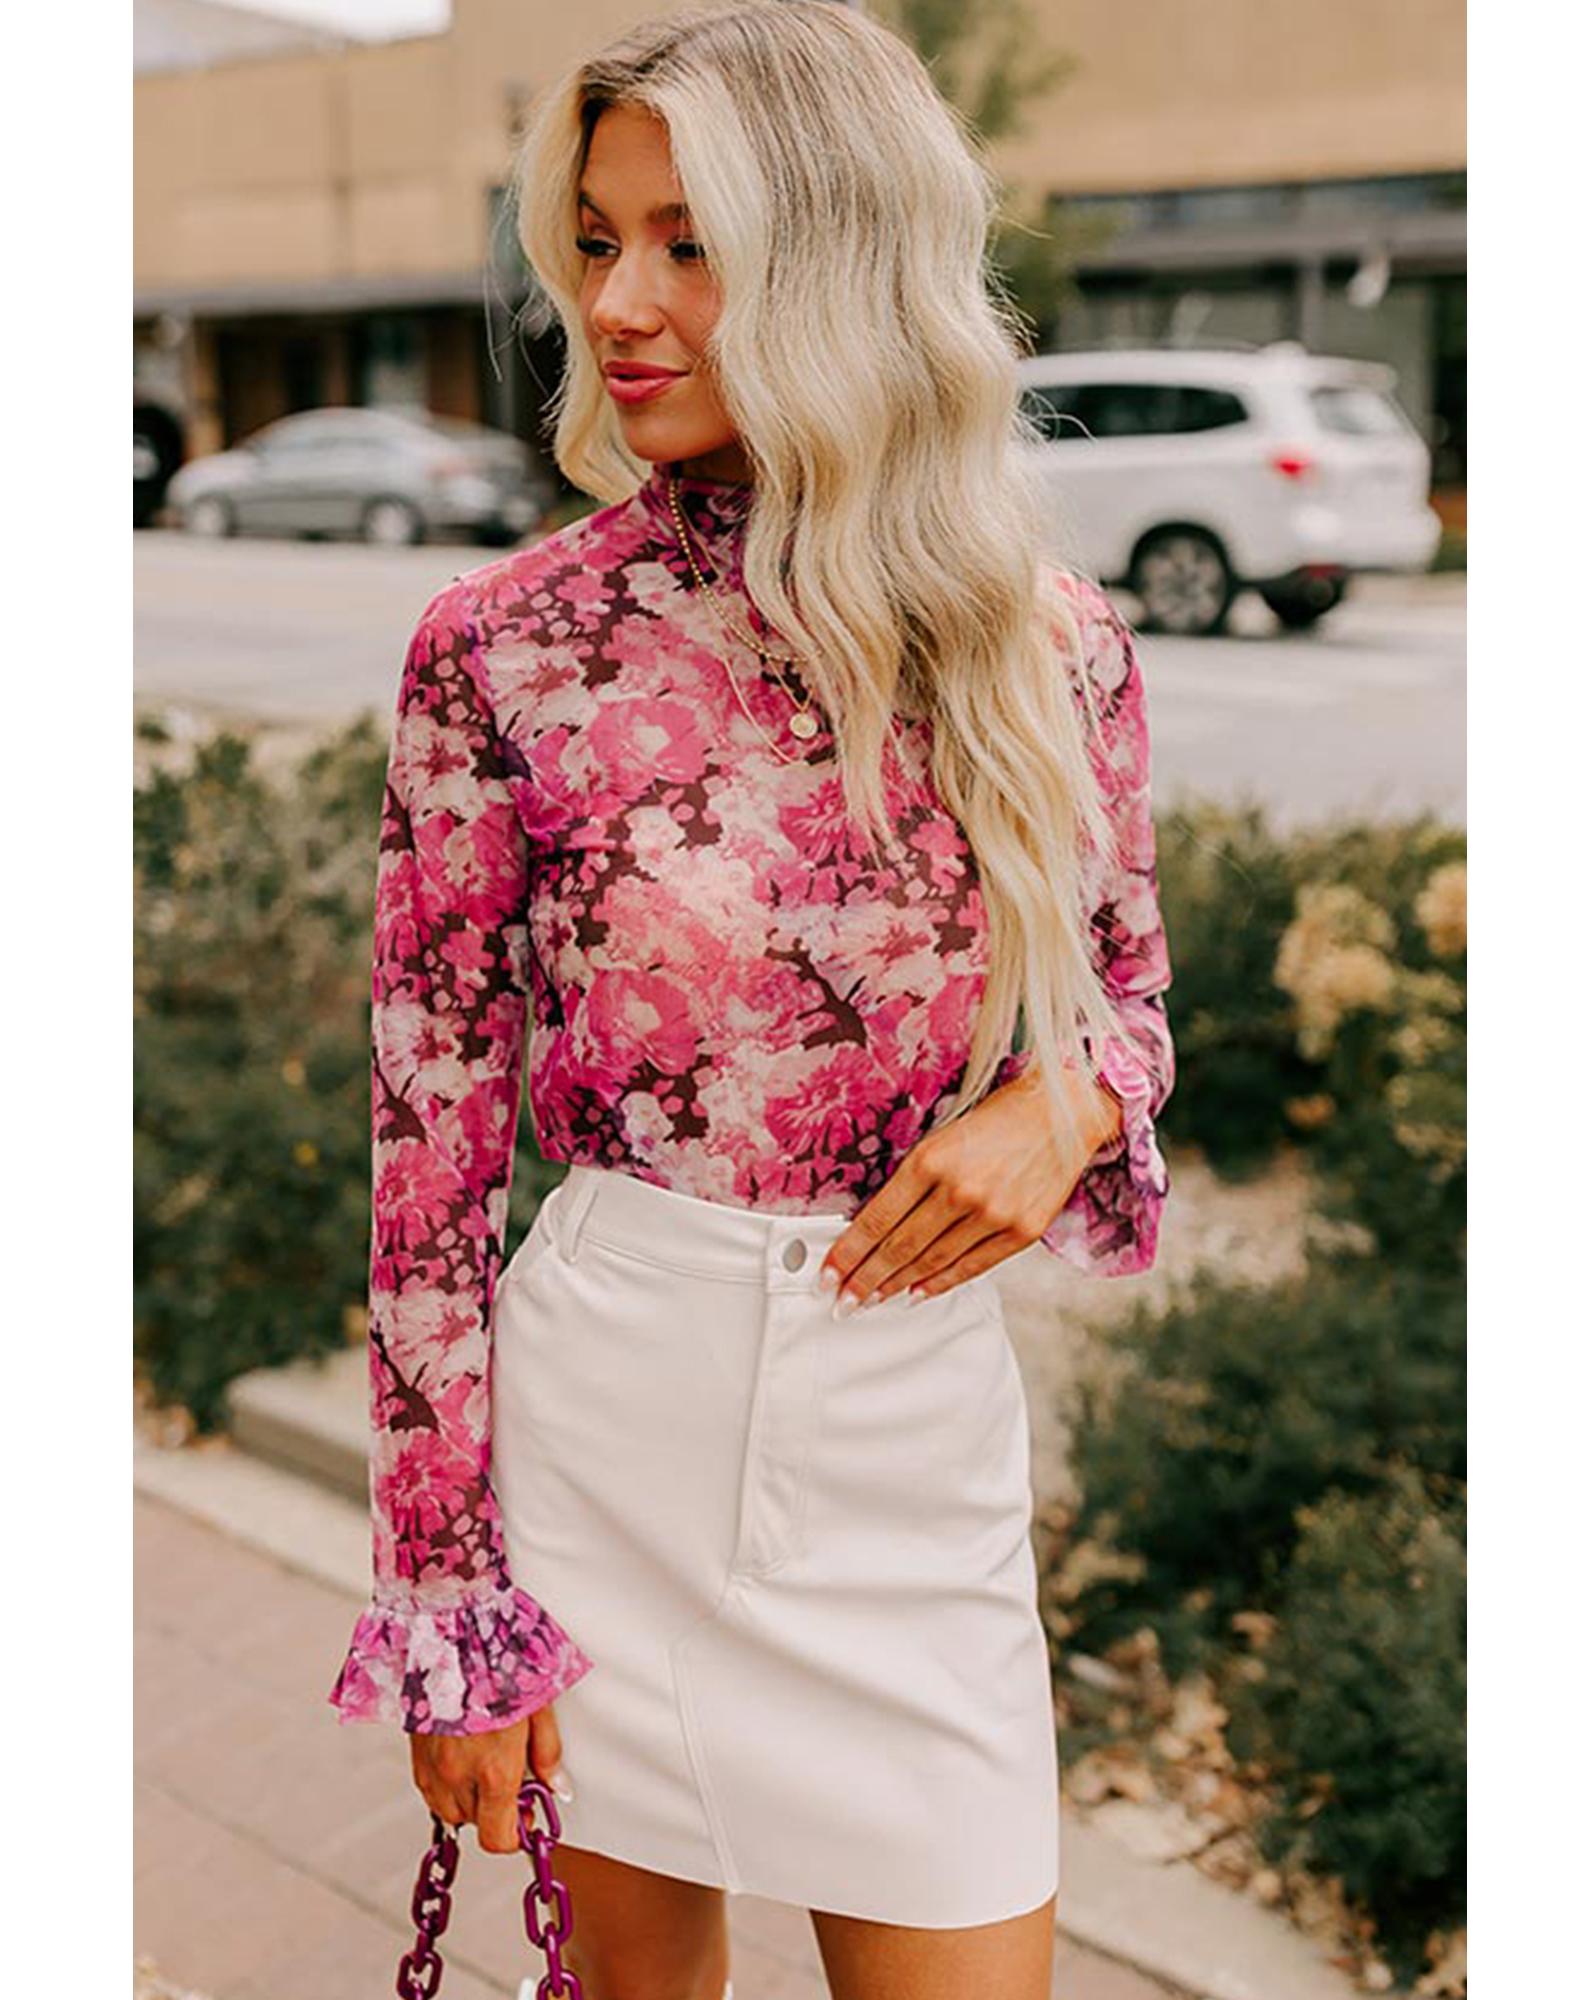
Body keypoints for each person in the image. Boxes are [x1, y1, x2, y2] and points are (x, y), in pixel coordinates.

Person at [327, 5, 1176, 1996]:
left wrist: (1070, 1106)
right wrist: (445, 1594)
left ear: (842, 259)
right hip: (604, 1423)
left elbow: (1130, 998)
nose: (616, 304)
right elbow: (428, 1153)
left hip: (906, 1445)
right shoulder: (504, 649)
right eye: (595, 239)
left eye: (689, 243)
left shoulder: (1045, 646)